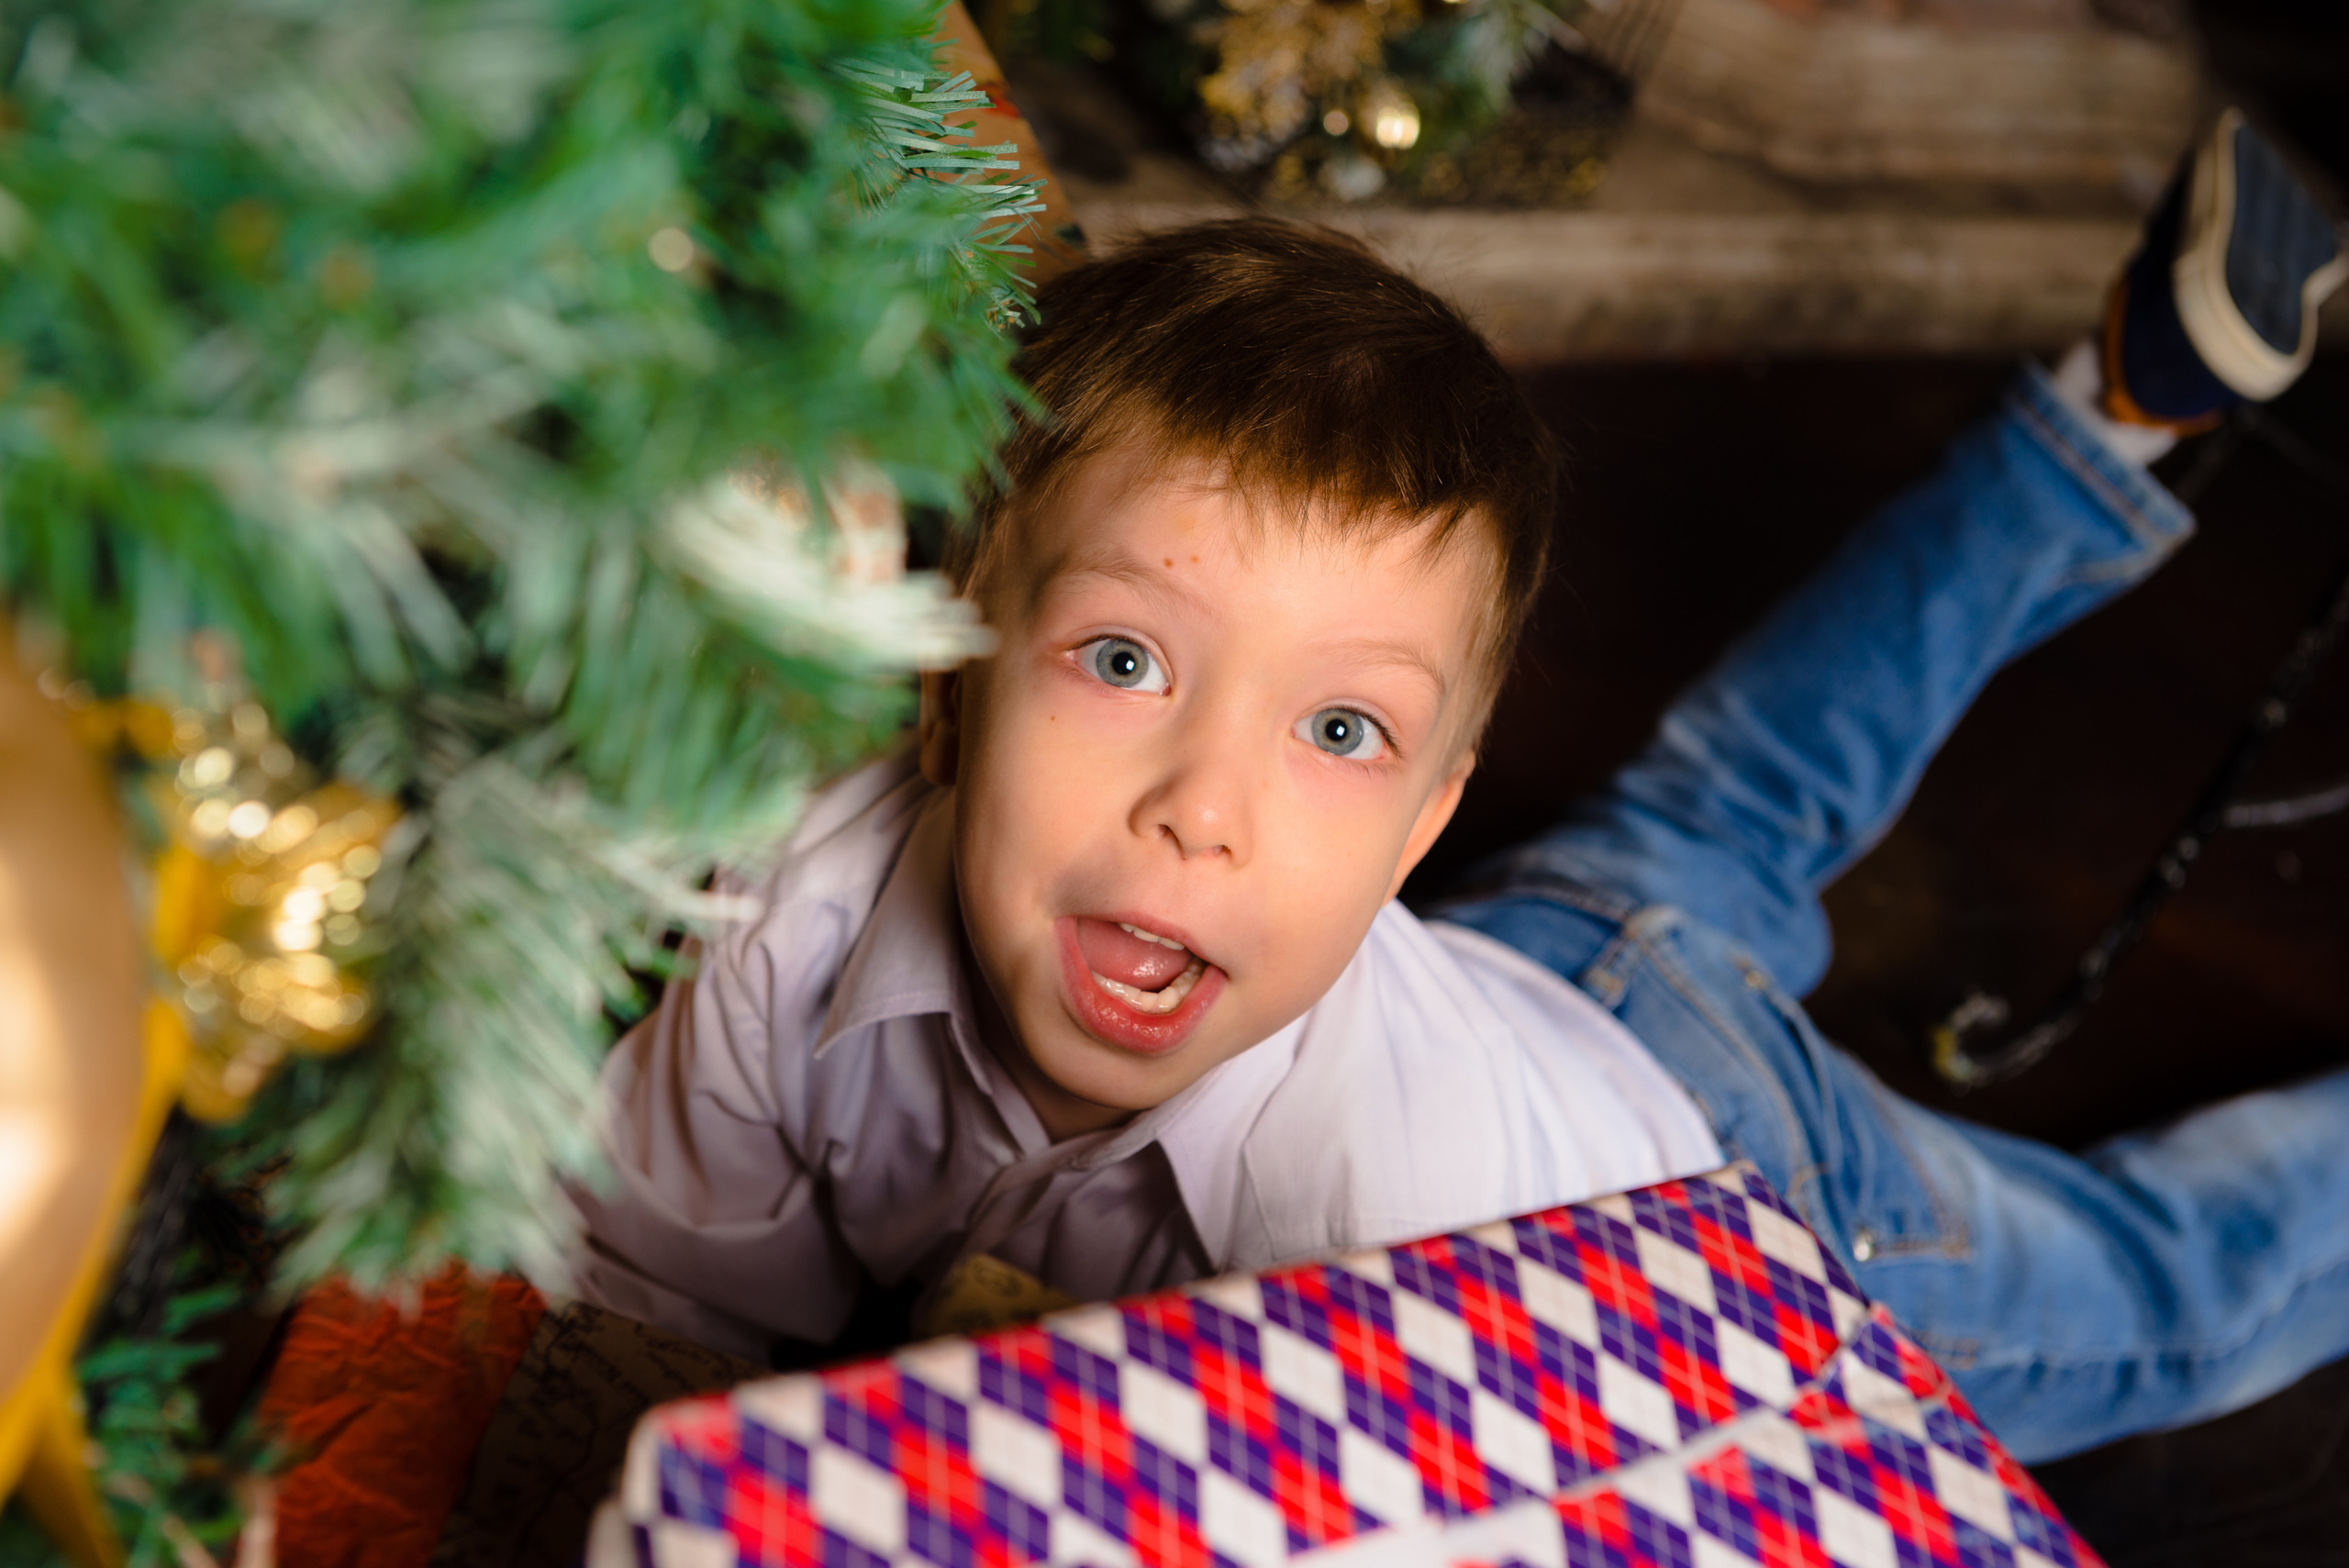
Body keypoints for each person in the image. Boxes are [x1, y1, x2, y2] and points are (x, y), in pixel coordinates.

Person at [572, 107, 2347, 1462]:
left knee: (2173, 1293)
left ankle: (2117, 415)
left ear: (1425, 812)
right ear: (959, 659)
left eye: (1337, 730)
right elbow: (664, 1322)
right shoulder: (792, 920)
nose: (1205, 805)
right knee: (1747, 785)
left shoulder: (1377, 1247)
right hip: (1535, 961)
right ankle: (2119, 402)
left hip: (1730, 1199)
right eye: (1125, 663)